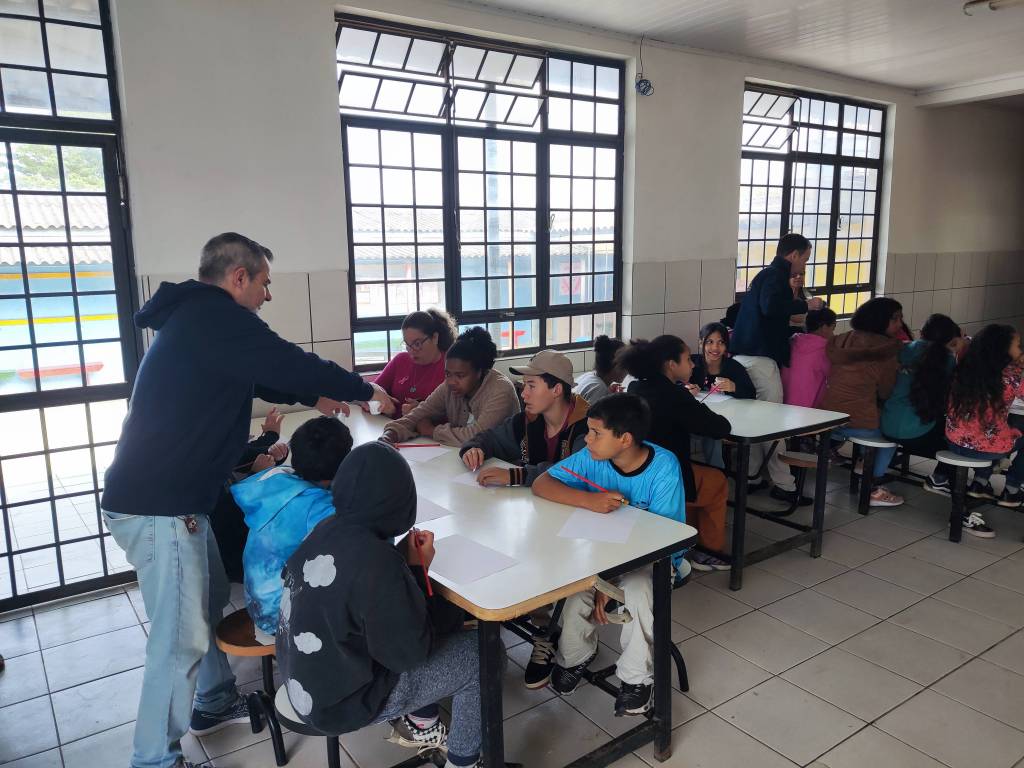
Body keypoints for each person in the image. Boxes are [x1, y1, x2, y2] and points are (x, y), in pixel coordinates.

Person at [101, 232, 391, 768]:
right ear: (239, 277)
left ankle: (213, 701)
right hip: (162, 506)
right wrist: (362, 388)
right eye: (264, 283)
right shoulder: (215, 317)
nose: (267, 295)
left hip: (178, 500)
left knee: (207, 602)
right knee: (178, 639)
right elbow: (284, 361)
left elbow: (258, 374)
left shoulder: (196, 318)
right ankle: (155, 760)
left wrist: (315, 394)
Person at [276, 442, 485, 768]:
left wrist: (405, 568)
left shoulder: (325, 528)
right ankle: (463, 761)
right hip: (338, 704)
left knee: (415, 628)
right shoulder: (378, 562)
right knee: (482, 655)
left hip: (301, 681)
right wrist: (417, 571)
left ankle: (423, 722)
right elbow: (410, 654)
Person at [532, 394, 685, 716]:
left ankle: (636, 679)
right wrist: (589, 501)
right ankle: (576, 657)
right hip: (601, 555)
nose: (587, 439)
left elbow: (663, 539)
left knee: (638, 591)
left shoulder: (664, 467)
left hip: (653, 560)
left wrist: (609, 580)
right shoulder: (592, 458)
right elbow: (542, 484)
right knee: (576, 590)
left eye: (595, 433)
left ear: (625, 439)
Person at [232, 416, 354, 641]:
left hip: (259, 603)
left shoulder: (277, 479)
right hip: (284, 618)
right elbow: (360, 545)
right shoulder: (320, 509)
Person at [621, 336, 731, 571]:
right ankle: (708, 551)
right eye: (688, 359)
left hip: (635, 474)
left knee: (696, 475)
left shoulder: (635, 387)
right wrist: (693, 403)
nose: (692, 364)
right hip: (665, 479)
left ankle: (686, 535)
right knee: (716, 481)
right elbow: (719, 428)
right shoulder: (674, 395)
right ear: (671, 364)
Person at [729, 233, 825, 502]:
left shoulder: (766, 274)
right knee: (773, 423)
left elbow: (769, 310)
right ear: (793, 255)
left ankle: (751, 476)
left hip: (744, 355)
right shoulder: (775, 275)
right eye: (805, 259)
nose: (804, 265)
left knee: (754, 421)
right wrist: (806, 304)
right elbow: (770, 307)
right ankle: (785, 485)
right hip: (761, 359)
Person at [928, 324, 1024, 532]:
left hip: (953, 440)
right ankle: (1013, 487)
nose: (1021, 348)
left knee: (999, 428)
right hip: (984, 448)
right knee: (1012, 431)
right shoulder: (1012, 375)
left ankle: (980, 481)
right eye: (1018, 345)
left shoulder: (964, 366)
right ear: (1003, 348)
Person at [820, 297, 904, 507]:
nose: (900, 324)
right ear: (880, 320)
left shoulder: (841, 340)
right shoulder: (886, 350)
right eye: (896, 319)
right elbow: (886, 391)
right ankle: (873, 486)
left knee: (847, 426)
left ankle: (851, 457)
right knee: (890, 439)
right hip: (860, 420)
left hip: (829, 415)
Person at [380, 327, 520, 447]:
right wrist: (388, 436)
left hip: (502, 464)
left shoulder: (501, 390)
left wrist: (431, 430)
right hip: (463, 459)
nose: (452, 381)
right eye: (448, 374)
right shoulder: (449, 387)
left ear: (480, 372)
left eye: (460, 375)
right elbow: (419, 414)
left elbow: (476, 437)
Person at [210, 407, 290, 583]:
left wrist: (273, 446)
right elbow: (225, 514)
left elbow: (245, 454)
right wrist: (255, 477)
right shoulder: (203, 464)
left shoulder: (218, 448)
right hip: (234, 560)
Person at [882, 314, 964, 465]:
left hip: (886, 425)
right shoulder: (947, 360)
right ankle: (941, 475)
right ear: (951, 339)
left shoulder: (903, 349)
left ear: (921, 333)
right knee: (958, 441)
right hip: (918, 434)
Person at [686, 321, 754, 474]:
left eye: (721, 342)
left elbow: (751, 393)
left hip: (722, 421)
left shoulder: (733, 367)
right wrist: (686, 389)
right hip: (692, 419)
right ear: (701, 343)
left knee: (713, 435)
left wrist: (734, 387)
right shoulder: (691, 363)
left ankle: (718, 477)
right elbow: (672, 381)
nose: (715, 348)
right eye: (709, 342)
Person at [372, 309, 458, 417]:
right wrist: (381, 401)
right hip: (390, 424)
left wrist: (424, 411)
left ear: (435, 338)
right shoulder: (400, 360)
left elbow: (458, 414)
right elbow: (372, 390)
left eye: (417, 344)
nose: (411, 351)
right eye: (407, 345)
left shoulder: (452, 367)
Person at [781, 307, 837, 409]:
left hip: (784, 406)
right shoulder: (825, 349)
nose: (833, 334)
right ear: (824, 327)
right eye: (832, 329)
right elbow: (835, 377)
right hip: (809, 411)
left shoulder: (793, 342)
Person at [573, 335, 625, 404]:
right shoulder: (599, 389)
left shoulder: (589, 375)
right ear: (615, 365)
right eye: (625, 364)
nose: (628, 370)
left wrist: (607, 392)